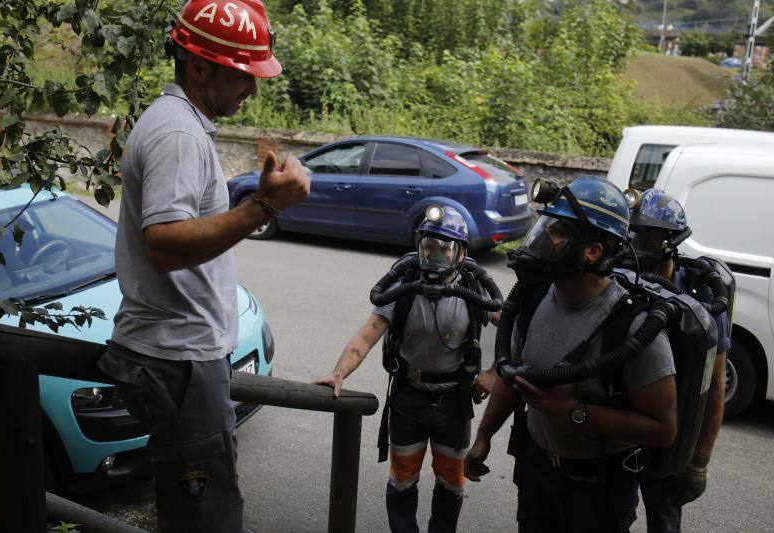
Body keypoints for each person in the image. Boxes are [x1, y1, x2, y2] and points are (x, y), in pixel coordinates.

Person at [96, 1, 310, 531]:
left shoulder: (177, 123)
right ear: (197, 67)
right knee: (205, 516)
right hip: (179, 363)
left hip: (176, 360)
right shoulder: (178, 134)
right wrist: (264, 208)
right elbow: (165, 244)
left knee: (191, 503)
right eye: (243, 75)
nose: (252, 89)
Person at [465, 176, 678, 533]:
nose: (545, 239)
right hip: (538, 471)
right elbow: (512, 373)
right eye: (546, 226)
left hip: (599, 487)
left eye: (559, 232)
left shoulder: (633, 327)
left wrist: (569, 412)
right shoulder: (532, 300)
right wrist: (484, 436)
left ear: (592, 251)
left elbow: (663, 428)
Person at [315, 205, 500, 533]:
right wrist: (339, 372)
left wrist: (494, 373)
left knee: (451, 483)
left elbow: (516, 327)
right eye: (428, 247)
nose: (434, 256)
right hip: (408, 400)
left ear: (461, 254)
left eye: (444, 249)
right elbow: (366, 336)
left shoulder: (475, 289)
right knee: (402, 480)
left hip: (453, 404)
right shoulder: (402, 286)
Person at [629, 189, 732, 533]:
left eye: (648, 235)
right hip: (621, 429)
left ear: (671, 242)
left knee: (664, 521)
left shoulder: (700, 297)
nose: (637, 243)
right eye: (634, 232)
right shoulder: (621, 283)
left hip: (672, 439)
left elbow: (714, 385)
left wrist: (699, 464)